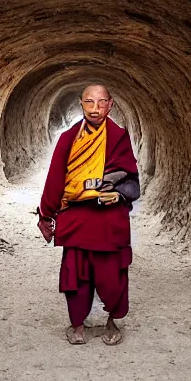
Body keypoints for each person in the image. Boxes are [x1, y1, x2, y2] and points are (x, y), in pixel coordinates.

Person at [37, 84, 140, 345]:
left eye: (101, 102)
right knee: (76, 274)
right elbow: (55, 179)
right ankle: (77, 325)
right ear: (81, 104)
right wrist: (46, 214)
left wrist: (117, 193)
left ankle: (112, 321)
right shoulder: (68, 139)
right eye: (89, 102)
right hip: (77, 217)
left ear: (110, 104)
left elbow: (132, 179)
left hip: (109, 218)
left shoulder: (118, 137)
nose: (95, 108)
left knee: (112, 275)